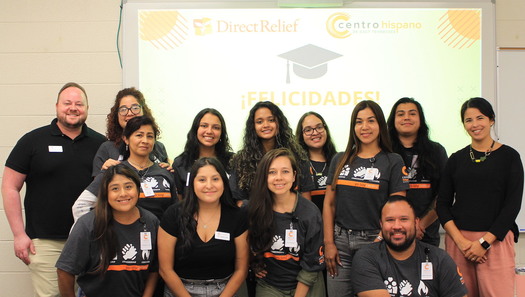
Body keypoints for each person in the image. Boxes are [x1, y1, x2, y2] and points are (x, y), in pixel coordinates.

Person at [1, 82, 106, 297]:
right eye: (67, 103)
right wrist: (19, 234)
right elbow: (10, 186)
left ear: (87, 108)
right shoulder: (32, 141)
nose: (73, 108)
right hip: (46, 243)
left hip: (91, 239)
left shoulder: (101, 144)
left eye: (79, 103)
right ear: (57, 106)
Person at [437, 97, 524, 297]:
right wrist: (461, 242)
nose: (475, 124)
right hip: (460, 243)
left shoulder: (510, 157)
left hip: (496, 242)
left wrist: (484, 243)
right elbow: (442, 204)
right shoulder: (456, 159)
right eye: (468, 120)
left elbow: (512, 206)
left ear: (491, 119)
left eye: (480, 118)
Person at [323, 100, 409, 297]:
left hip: (375, 241)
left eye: (371, 121)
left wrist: (381, 241)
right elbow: (329, 204)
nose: (365, 127)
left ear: (380, 124)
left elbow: (397, 210)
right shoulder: (340, 159)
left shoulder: (393, 161)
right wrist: (329, 243)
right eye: (359, 122)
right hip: (340, 242)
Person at [56, 164, 159, 297]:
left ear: (138, 189)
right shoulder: (88, 224)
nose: (123, 194)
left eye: (128, 187)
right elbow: (64, 271)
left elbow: (154, 269)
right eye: (115, 189)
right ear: (106, 193)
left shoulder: (151, 222)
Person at [158, 157, 249, 297]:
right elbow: (165, 269)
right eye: (202, 180)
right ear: (192, 183)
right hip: (180, 290)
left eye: (215, 179)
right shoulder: (173, 214)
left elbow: (241, 269)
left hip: (225, 290)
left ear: (224, 182)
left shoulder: (237, 216)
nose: (209, 185)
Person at [351, 196, 467, 297]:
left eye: (404, 219)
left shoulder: (440, 258)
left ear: (416, 223)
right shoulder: (366, 258)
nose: (397, 226)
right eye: (390, 220)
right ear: (381, 224)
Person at [248, 148, 325, 297]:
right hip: (270, 285)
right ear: (264, 176)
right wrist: (255, 264)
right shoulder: (253, 209)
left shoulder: (310, 212)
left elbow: (312, 264)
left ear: (294, 175)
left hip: (307, 284)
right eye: (272, 172)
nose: (279, 178)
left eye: (285, 171)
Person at [73, 116, 177, 221]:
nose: (145, 140)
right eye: (139, 135)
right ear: (126, 139)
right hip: (120, 236)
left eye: (150, 136)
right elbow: (81, 206)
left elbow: (175, 212)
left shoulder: (165, 172)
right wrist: (96, 233)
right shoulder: (114, 171)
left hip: (160, 236)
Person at [387, 98, 448, 246]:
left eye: (412, 113)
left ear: (420, 119)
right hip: (390, 234)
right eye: (401, 114)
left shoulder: (436, 151)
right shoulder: (384, 152)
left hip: (426, 235)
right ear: (393, 121)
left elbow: (444, 194)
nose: (406, 117)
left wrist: (420, 225)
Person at [230, 101, 314, 205]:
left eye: (271, 120)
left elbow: (305, 195)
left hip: (291, 217)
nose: (266, 125)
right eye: (259, 122)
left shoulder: (298, 156)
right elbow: (239, 201)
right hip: (254, 217)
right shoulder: (241, 160)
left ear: (279, 123)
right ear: (253, 127)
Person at [93, 87, 170, 177]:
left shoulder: (159, 147)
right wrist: (104, 173)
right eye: (123, 109)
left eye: (135, 108)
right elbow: (96, 188)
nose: (129, 113)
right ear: (116, 115)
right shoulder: (106, 148)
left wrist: (168, 172)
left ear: (143, 111)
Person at [172, 108, 234, 199]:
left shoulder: (233, 161)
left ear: (222, 133)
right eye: (204, 126)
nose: (209, 131)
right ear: (195, 129)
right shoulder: (181, 163)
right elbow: (179, 200)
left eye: (216, 128)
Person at [296, 111, 337, 212]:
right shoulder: (296, 164)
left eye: (319, 127)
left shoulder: (339, 161)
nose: (315, 133)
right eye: (308, 130)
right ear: (301, 135)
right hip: (308, 222)